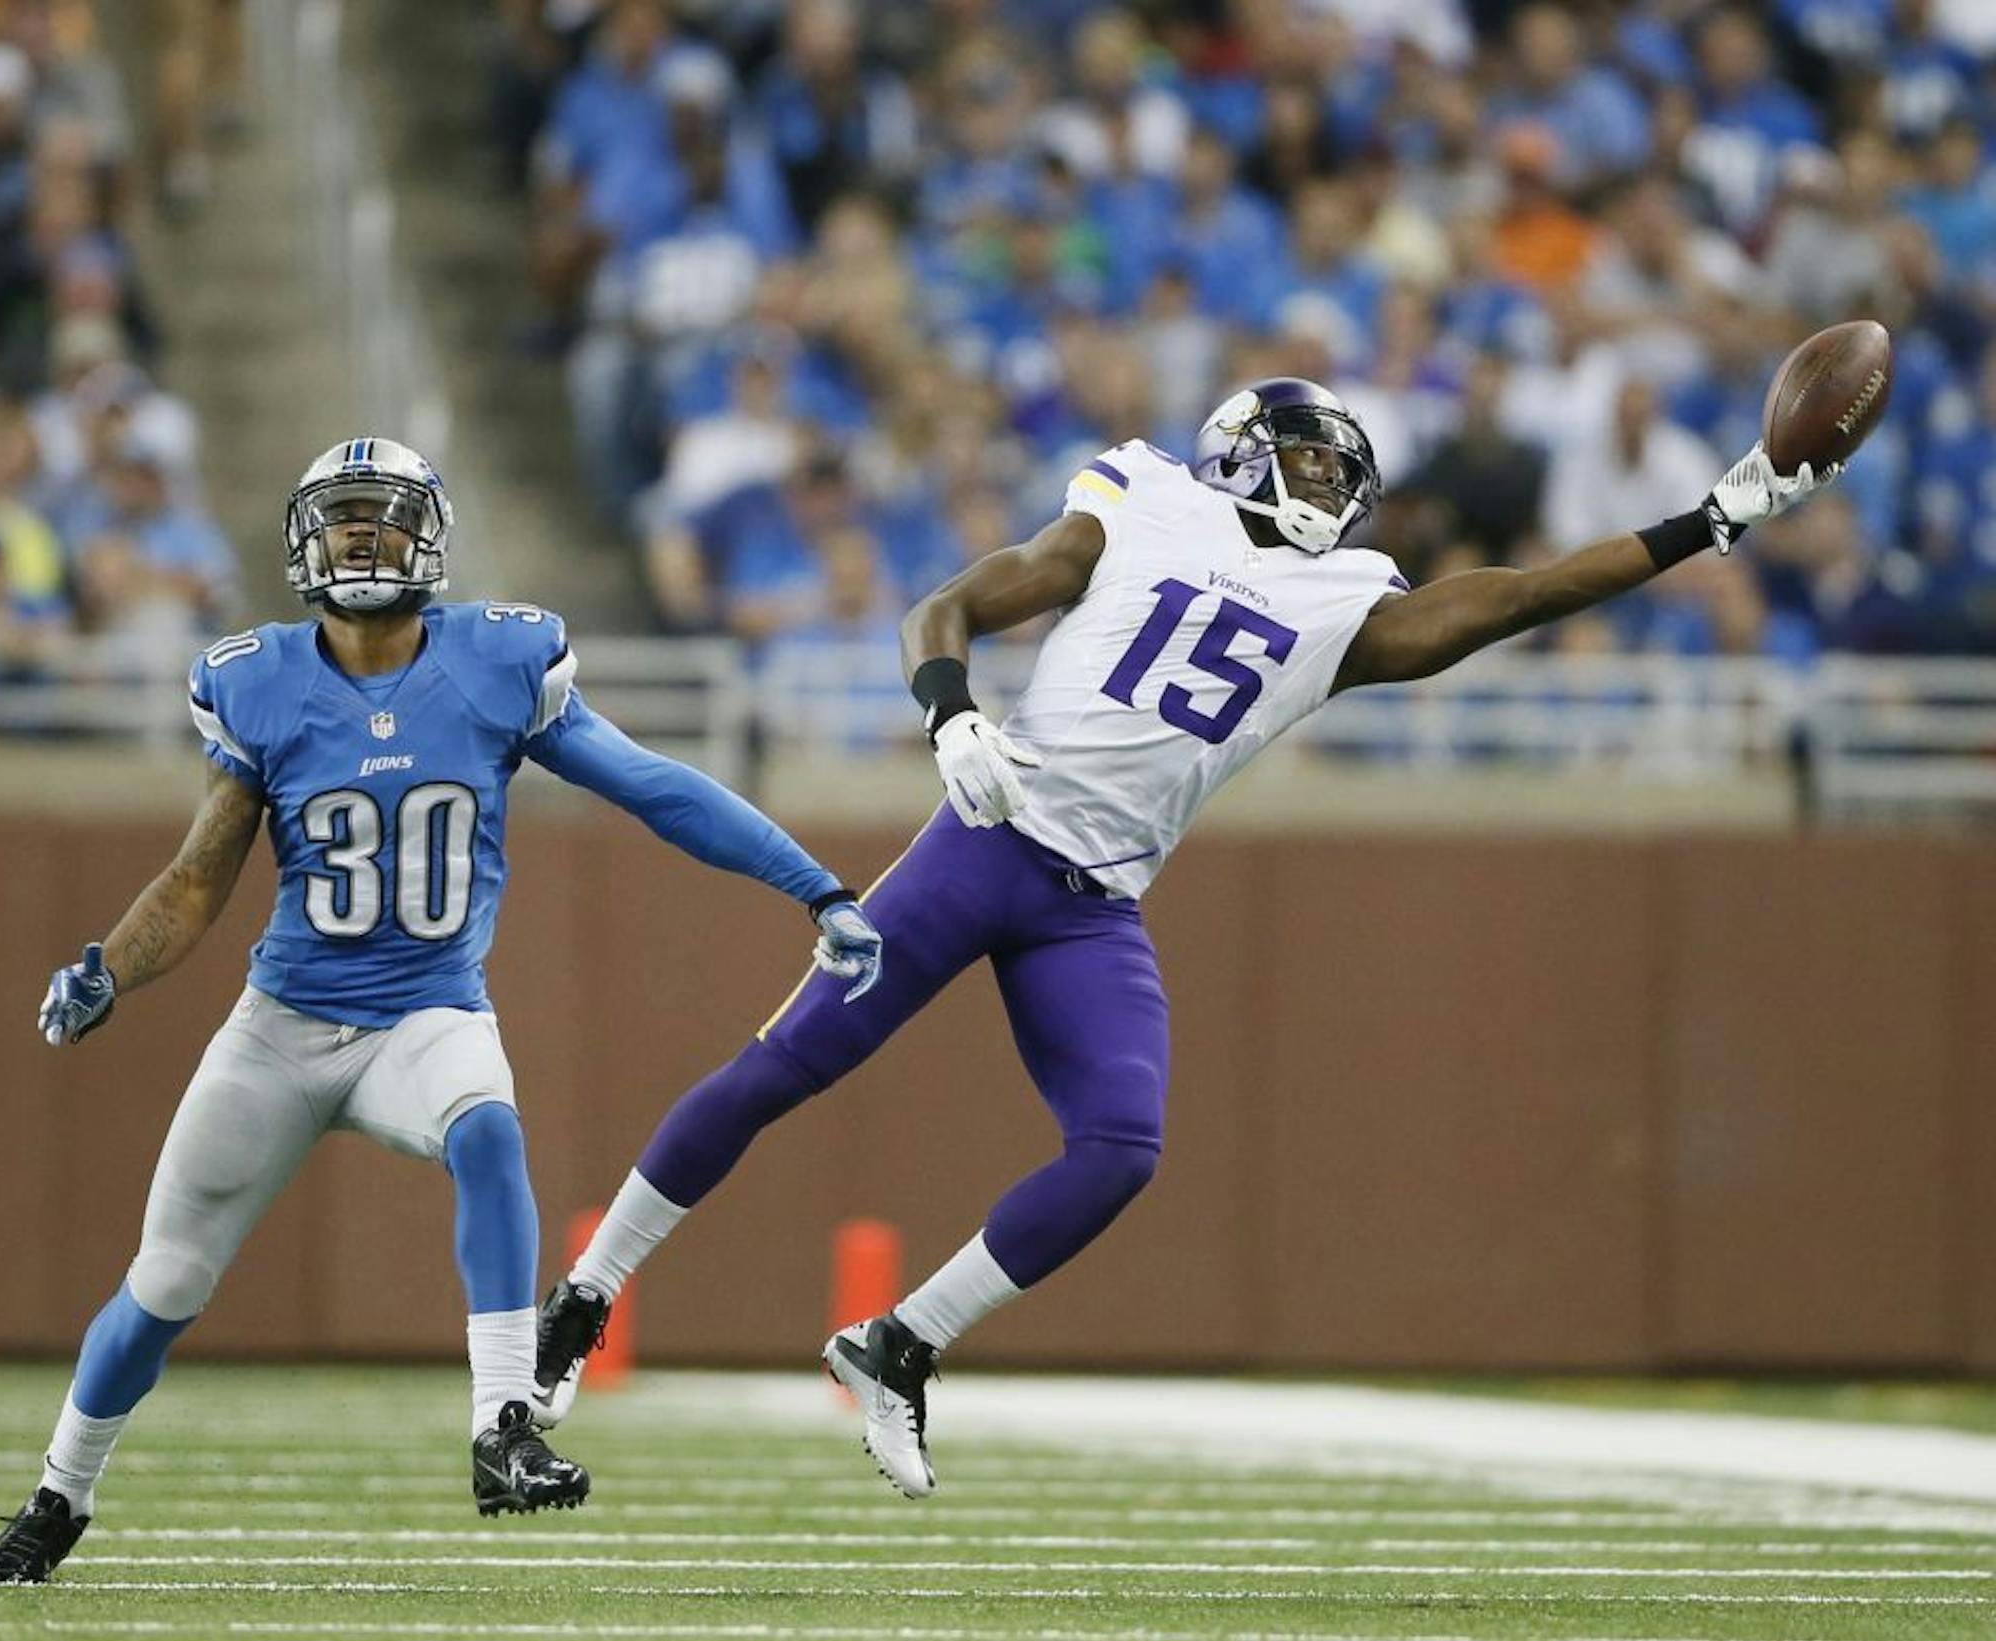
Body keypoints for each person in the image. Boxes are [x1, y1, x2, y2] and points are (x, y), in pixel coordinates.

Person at [533, 377, 1835, 1497]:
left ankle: (899, 1342)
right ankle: (586, 1295)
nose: (1328, 485)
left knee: (1119, 1149)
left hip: (1094, 898)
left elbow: (1520, 594)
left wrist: (1709, 521)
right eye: (1308, 457)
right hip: (989, 835)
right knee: (783, 1069)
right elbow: (952, 604)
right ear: (1238, 450)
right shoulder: (1143, 496)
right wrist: (952, 719)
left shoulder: (1346, 600)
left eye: (1344, 468)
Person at [0, 437, 884, 1582]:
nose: (361, 534)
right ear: (304, 540)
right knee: (164, 1283)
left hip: (427, 1014)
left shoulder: (496, 663)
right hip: (284, 1024)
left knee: (490, 1130)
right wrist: (109, 962)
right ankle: (60, 1492)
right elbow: (200, 876)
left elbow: (656, 785)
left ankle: (504, 1426)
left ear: (429, 537)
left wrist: (818, 884)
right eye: (341, 516)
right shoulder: (258, 681)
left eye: (383, 515)